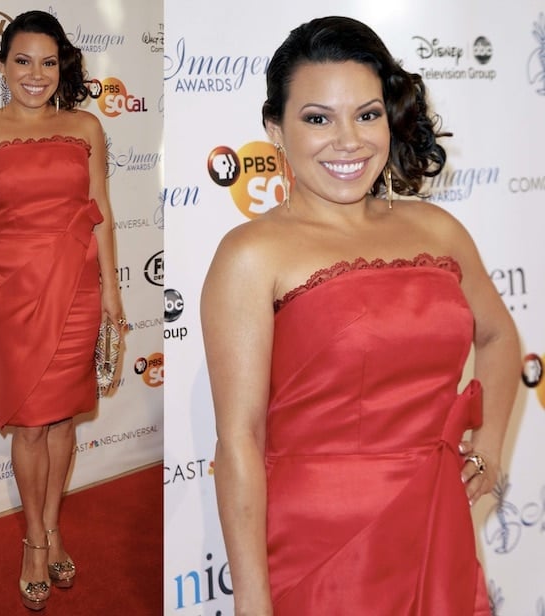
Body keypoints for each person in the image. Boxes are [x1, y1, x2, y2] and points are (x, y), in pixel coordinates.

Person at [200, 16, 520, 616]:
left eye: (367, 115)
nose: (348, 141)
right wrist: (252, 598)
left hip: (433, 524)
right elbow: (240, 439)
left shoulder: (438, 229)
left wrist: (491, 445)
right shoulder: (251, 254)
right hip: (319, 548)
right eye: (318, 118)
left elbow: (499, 334)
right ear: (275, 128)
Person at [0, 10, 124, 611]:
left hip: (77, 286)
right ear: (1, 65)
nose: (35, 74)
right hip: (12, 290)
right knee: (29, 422)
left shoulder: (85, 126)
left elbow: (100, 208)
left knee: (60, 420)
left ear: (62, 66)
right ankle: (32, 541)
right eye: (22, 61)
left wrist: (111, 292)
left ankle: (52, 528)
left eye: (48, 62)